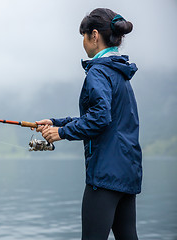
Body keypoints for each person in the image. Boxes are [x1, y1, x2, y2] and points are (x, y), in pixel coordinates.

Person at [33, 8, 142, 240]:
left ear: (94, 35)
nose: (82, 42)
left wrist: (61, 132)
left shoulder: (99, 72)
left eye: (83, 36)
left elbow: (100, 118)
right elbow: (103, 116)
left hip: (104, 174)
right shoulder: (119, 71)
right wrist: (55, 122)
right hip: (127, 172)